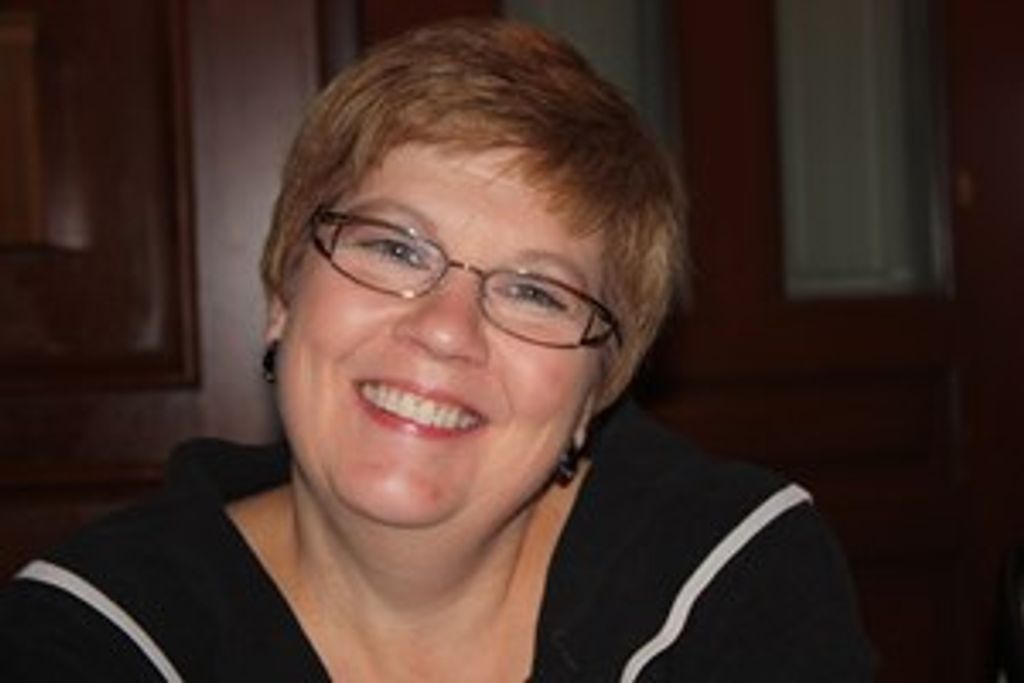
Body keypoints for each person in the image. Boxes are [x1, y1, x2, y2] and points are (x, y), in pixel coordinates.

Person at [0, 18, 873, 681]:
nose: (447, 328)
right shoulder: (91, 634)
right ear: (282, 294)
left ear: (595, 394)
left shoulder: (731, 577)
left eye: (536, 291)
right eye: (395, 247)